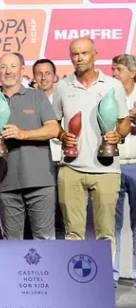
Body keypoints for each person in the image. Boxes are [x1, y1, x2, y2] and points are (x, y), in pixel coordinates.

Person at [56, 38, 128, 266]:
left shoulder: (112, 85)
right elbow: (52, 122)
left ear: (95, 55)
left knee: (105, 233)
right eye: (75, 54)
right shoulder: (62, 86)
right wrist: (60, 135)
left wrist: (119, 134)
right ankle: (73, 283)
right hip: (71, 169)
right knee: (73, 233)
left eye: (84, 53)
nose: (79, 58)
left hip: (106, 169)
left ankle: (106, 283)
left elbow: (124, 121)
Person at [0, 52, 60, 239]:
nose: (8, 72)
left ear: (22, 70)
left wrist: (23, 134)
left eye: (13, 66)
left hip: (40, 181)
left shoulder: (37, 97)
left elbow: (53, 129)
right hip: (7, 183)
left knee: (45, 239)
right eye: (4, 67)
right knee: (12, 243)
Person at [33, 58, 65, 239]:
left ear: (55, 76)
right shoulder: (29, 99)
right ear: (34, 77)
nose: (43, 77)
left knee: (60, 214)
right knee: (37, 215)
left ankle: (59, 258)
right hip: (37, 164)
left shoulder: (64, 98)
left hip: (61, 162)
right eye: (39, 73)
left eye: (47, 73)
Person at [112, 54, 136, 283]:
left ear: (132, 72)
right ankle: (112, 274)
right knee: (112, 223)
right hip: (114, 164)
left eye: (118, 69)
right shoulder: (109, 93)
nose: (114, 73)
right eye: (113, 69)